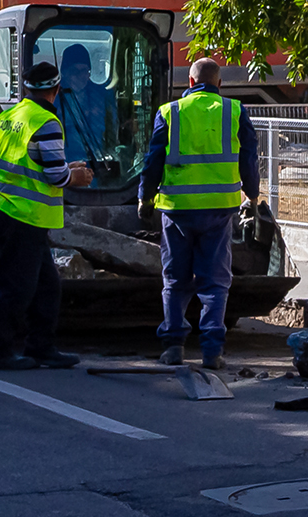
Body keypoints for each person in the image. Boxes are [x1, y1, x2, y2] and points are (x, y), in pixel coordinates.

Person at [0, 61, 93, 371]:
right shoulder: (47, 122)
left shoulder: (12, 116)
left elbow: (11, 165)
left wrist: (65, 169)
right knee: (16, 288)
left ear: (27, 89)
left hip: (5, 211)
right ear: (56, 90)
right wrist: (77, 177)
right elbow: (55, 177)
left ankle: (41, 347)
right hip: (23, 217)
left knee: (47, 285)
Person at [139, 57, 259, 370]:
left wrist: (144, 197)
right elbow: (249, 157)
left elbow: (153, 160)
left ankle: (173, 347)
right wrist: (254, 193)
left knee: (175, 279)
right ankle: (212, 352)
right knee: (215, 282)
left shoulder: (170, 112)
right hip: (219, 211)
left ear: (190, 83)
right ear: (220, 84)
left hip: (177, 210)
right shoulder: (234, 111)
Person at [55, 44, 118, 164]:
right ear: (65, 73)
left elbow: (112, 126)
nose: (80, 76)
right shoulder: (55, 97)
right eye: (75, 71)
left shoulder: (101, 97)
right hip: (64, 160)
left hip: (97, 159)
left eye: (84, 71)